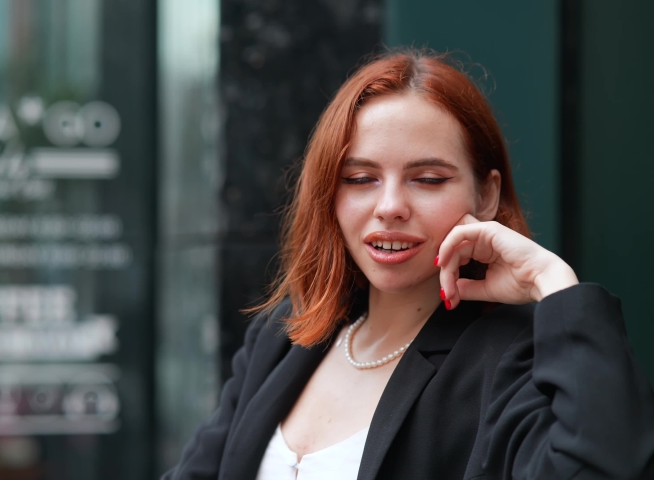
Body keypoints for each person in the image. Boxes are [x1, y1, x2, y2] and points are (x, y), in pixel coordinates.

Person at [162, 50, 654, 479]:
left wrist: (555, 283)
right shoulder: (283, 336)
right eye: (360, 179)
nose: (390, 207)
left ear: (487, 195)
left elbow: (600, 466)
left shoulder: (512, 359)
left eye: (428, 179)